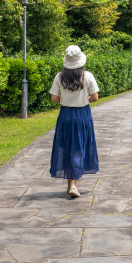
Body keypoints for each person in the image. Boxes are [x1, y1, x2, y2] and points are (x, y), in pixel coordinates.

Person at [49, 45, 100, 197]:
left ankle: (71, 183)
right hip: (83, 114)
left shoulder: (59, 77)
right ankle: (73, 185)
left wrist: (66, 100)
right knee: (79, 146)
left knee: (67, 146)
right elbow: (95, 97)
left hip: (65, 115)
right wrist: (83, 99)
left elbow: (53, 98)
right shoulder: (87, 76)